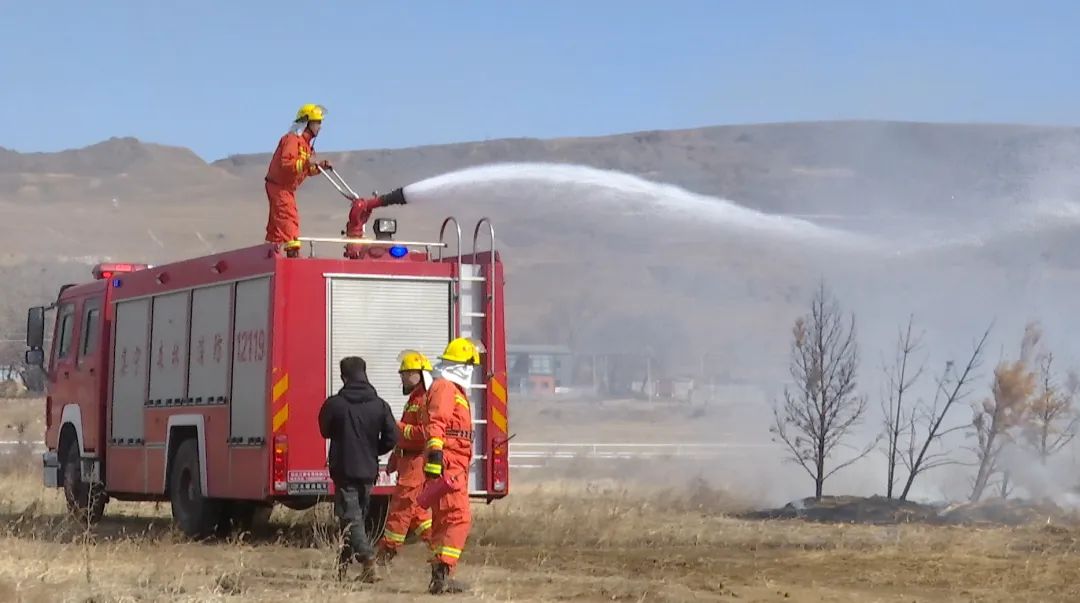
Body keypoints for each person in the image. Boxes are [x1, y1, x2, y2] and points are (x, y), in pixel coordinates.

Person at [318, 356, 398, 582]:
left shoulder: (335, 404)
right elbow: (393, 437)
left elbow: (324, 430)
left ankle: (368, 559)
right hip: (368, 470)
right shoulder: (380, 405)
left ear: (344, 377)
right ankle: (342, 568)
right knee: (353, 519)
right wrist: (374, 450)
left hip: (344, 469)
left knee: (351, 519)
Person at [421, 337, 483, 594]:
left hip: (453, 462)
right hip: (449, 462)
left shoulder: (452, 389)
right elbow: (437, 421)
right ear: (462, 365)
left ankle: (440, 575)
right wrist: (436, 453)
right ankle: (443, 573)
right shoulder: (446, 388)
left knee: (445, 520)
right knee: (458, 518)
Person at [374, 350, 436, 565]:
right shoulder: (414, 399)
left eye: (406, 373)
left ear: (419, 373)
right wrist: (395, 456)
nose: (402, 376)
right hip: (407, 460)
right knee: (417, 511)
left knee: (401, 507)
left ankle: (386, 552)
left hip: (415, 463)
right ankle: (436, 547)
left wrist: (398, 427)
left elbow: (424, 433)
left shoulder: (424, 400)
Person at [265, 103, 331, 257]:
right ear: (307, 122)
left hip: (287, 188)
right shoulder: (292, 140)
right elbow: (287, 164)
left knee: (278, 226)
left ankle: (273, 254)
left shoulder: (306, 146)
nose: (320, 127)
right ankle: (293, 255)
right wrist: (308, 163)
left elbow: (304, 170)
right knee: (289, 220)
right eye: (317, 122)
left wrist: (320, 167)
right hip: (279, 187)